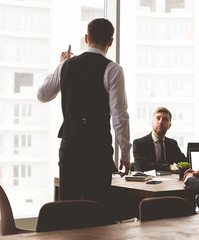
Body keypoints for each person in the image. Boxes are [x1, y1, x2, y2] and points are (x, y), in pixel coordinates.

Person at [37, 18, 131, 203]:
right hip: (97, 149)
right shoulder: (113, 69)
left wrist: (60, 65)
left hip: (70, 146)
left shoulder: (66, 65)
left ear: (87, 37)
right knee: (96, 209)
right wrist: (126, 154)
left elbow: (43, 95)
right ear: (110, 41)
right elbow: (119, 116)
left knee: (68, 207)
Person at [133, 107, 187, 172]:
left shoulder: (172, 144)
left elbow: (183, 162)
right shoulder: (139, 143)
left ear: (169, 125)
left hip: (170, 181)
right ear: (152, 122)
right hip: (147, 181)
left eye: (164, 119)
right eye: (158, 118)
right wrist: (169, 167)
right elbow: (142, 165)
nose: (160, 121)